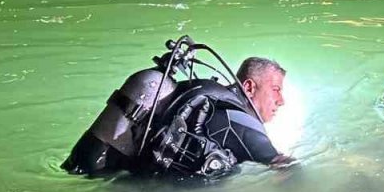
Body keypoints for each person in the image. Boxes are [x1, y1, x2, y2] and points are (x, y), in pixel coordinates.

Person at [61, 36, 292, 177]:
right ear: (249, 88)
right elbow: (282, 167)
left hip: (103, 172)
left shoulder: (203, 95)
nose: (281, 101)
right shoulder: (240, 122)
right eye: (275, 90)